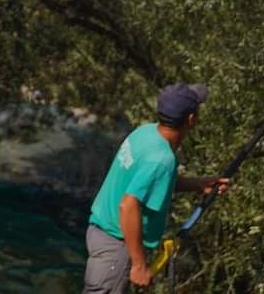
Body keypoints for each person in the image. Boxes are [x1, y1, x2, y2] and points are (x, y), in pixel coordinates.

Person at [84, 83, 230, 293]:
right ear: (191, 120)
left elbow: (148, 183)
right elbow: (128, 205)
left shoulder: (145, 133)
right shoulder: (162, 159)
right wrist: (139, 265)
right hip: (116, 247)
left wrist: (198, 184)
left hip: (102, 234)